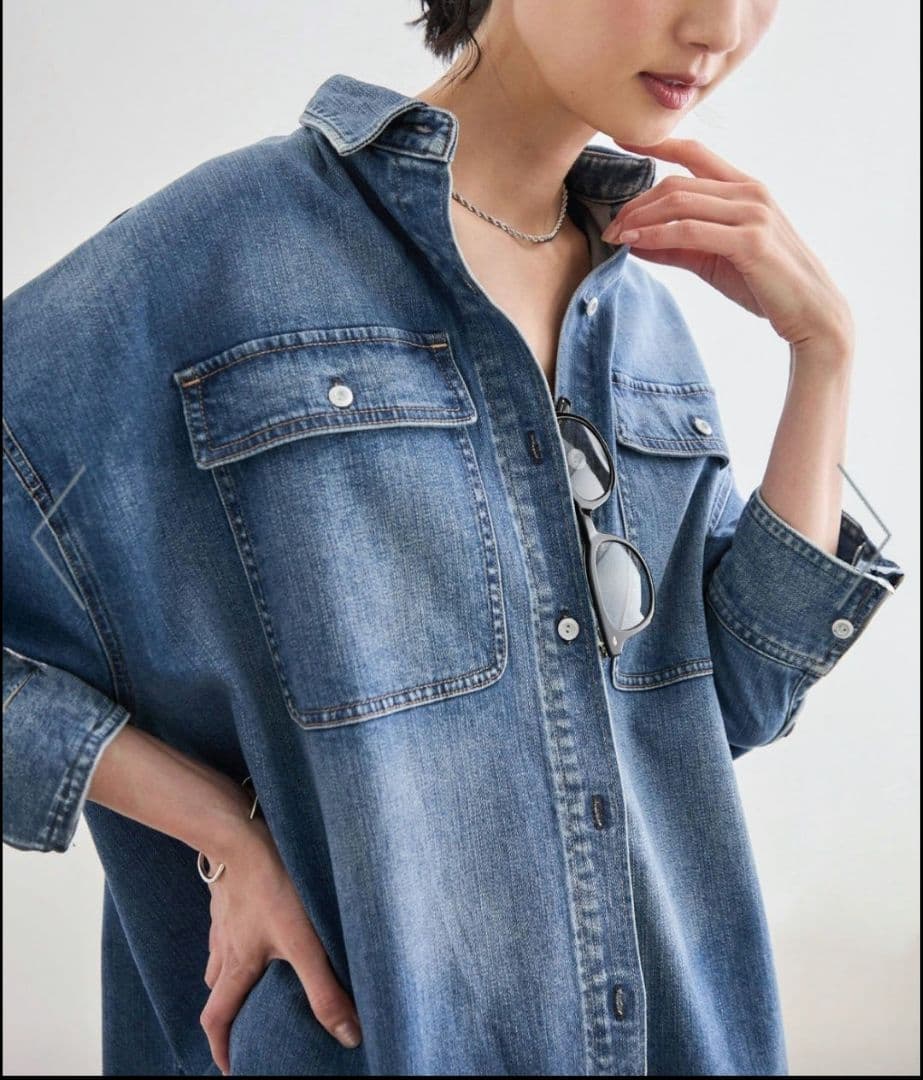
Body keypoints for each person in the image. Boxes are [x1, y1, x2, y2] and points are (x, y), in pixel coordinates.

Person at [2, 1, 907, 1076]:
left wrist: (821, 356)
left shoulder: (642, 315)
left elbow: (729, 706)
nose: (716, 25)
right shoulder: (218, 255)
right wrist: (218, 824)